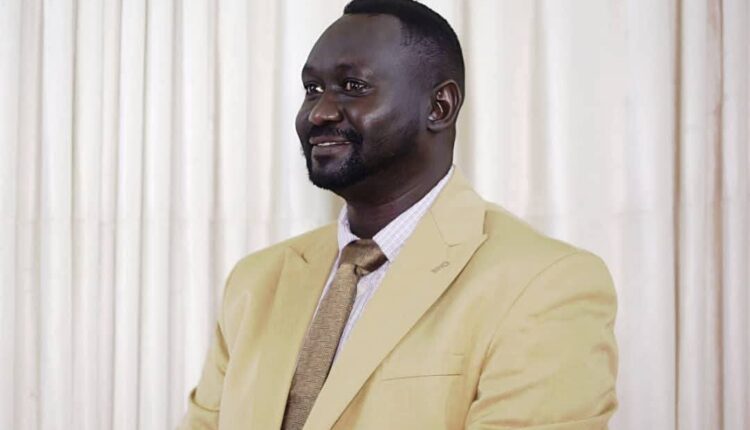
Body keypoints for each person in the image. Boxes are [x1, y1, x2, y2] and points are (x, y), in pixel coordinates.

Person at [180, 0, 618, 429]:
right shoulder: (255, 282)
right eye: (312, 89)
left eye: (353, 86)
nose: (320, 112)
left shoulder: (545, 284)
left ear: (439, 107)